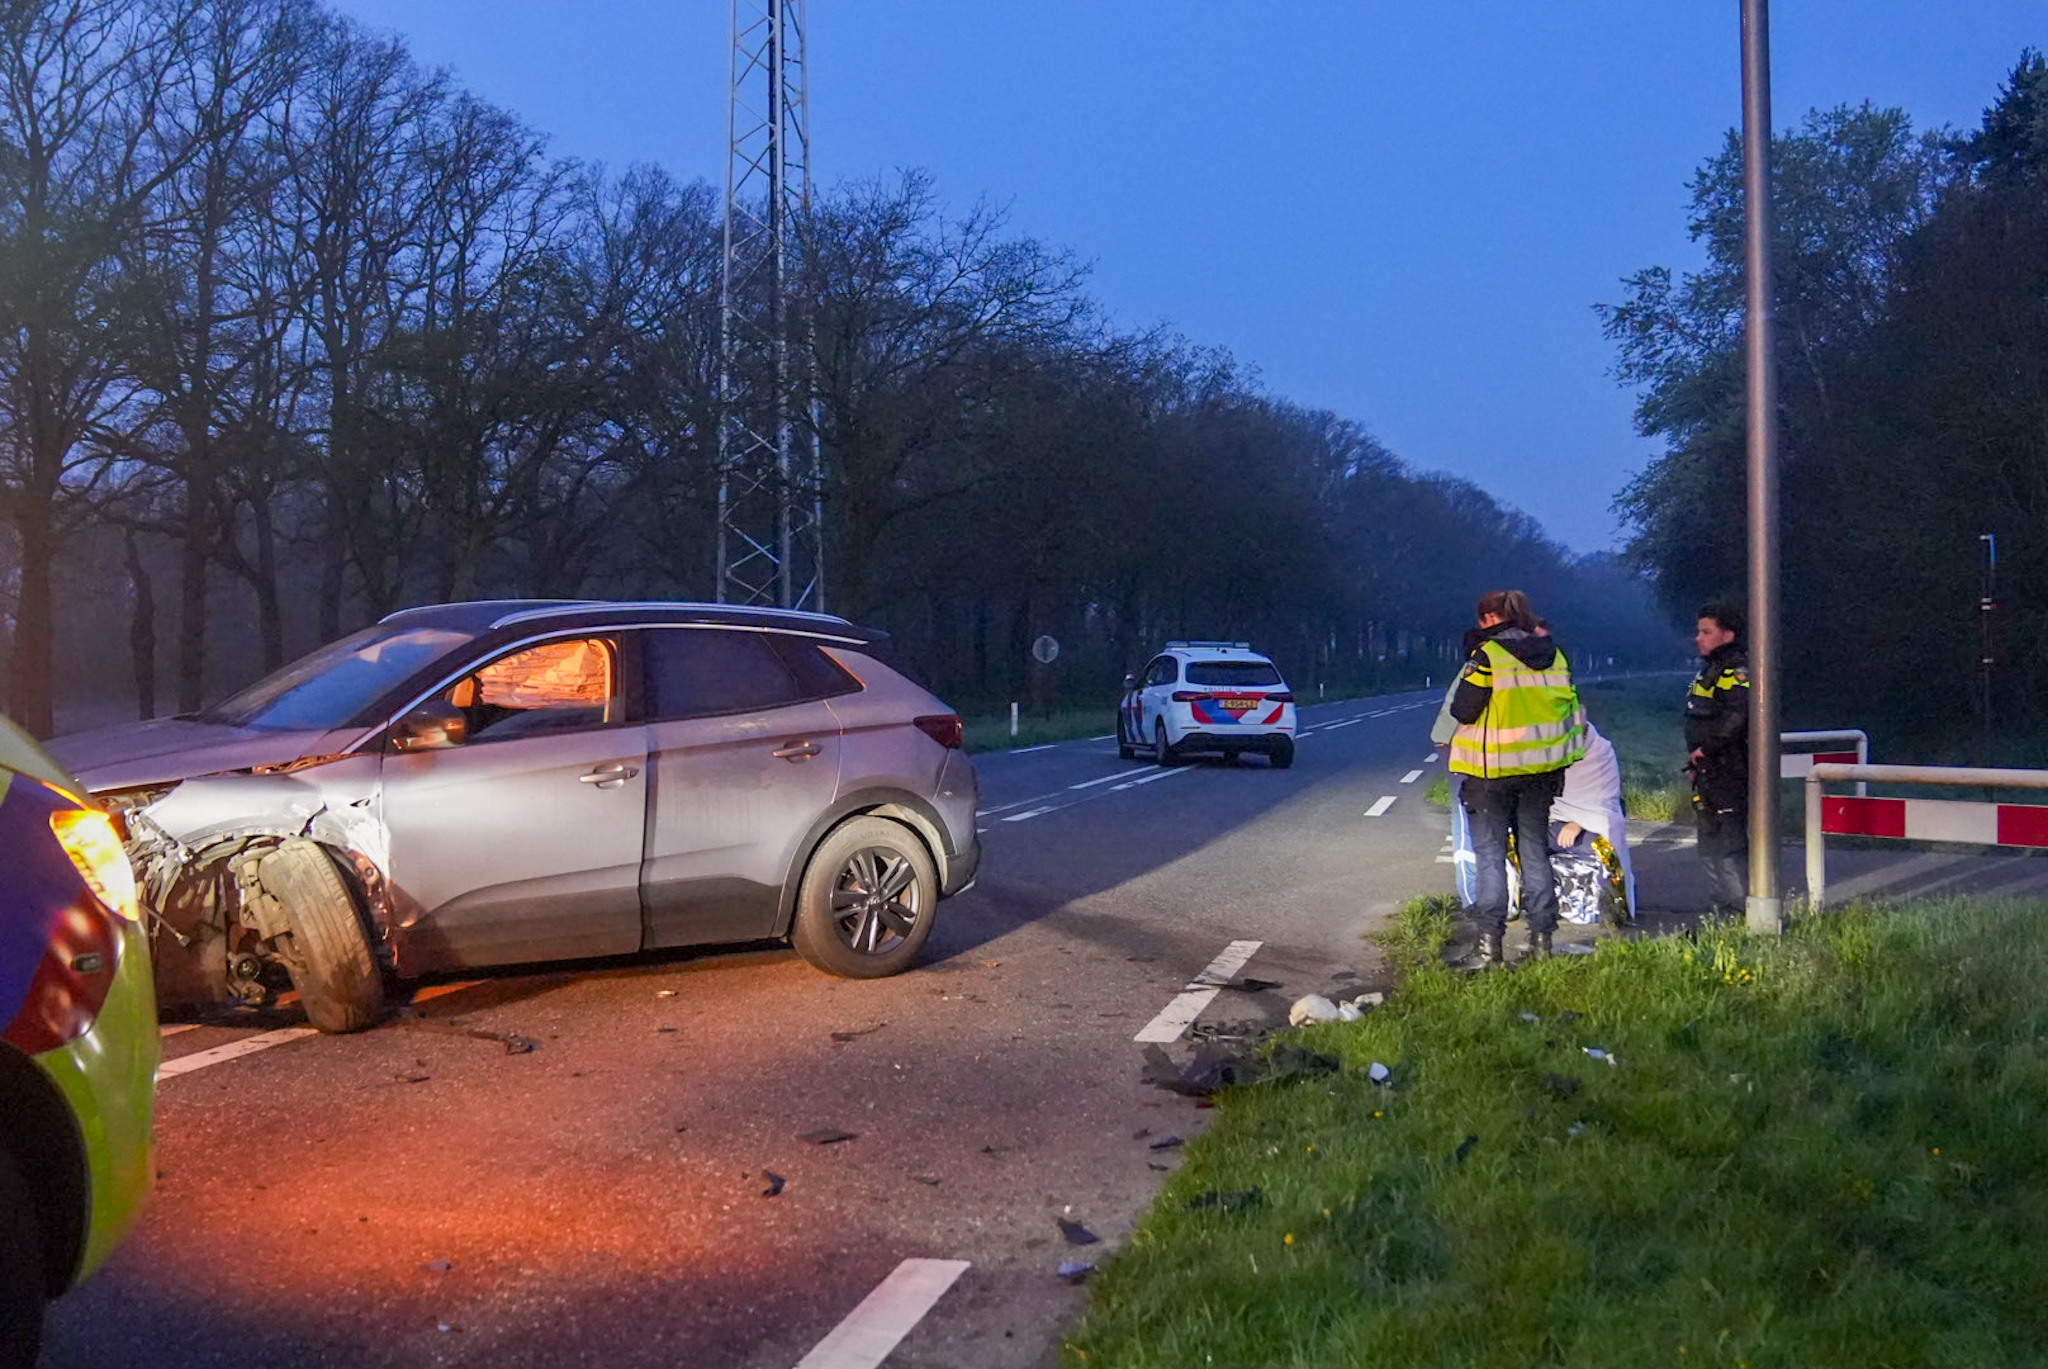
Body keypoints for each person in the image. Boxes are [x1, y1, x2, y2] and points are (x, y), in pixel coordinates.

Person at [1446, 589, 1587, 967]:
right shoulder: (1555, 655)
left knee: (1491, 856)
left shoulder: (1488, 656)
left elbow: (1464, 710)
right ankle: (1542, 942)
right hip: (1541, 773)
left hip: (1491, 775)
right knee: (1534, 853)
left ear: (1490, 619)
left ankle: (1489, 948)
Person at [1686, 602, 1750, 914]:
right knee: (1709, 839)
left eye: (1706, 632)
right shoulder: (1709, 669)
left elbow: (1738, 715)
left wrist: (1707, 749)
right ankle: (1720, 909)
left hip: (1728, 768)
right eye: (1699, 631)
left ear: (1728, 634)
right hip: (1707, 770)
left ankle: (1741, 909)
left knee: (1730, 840)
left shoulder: (1737, 670)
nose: (1698, 638)